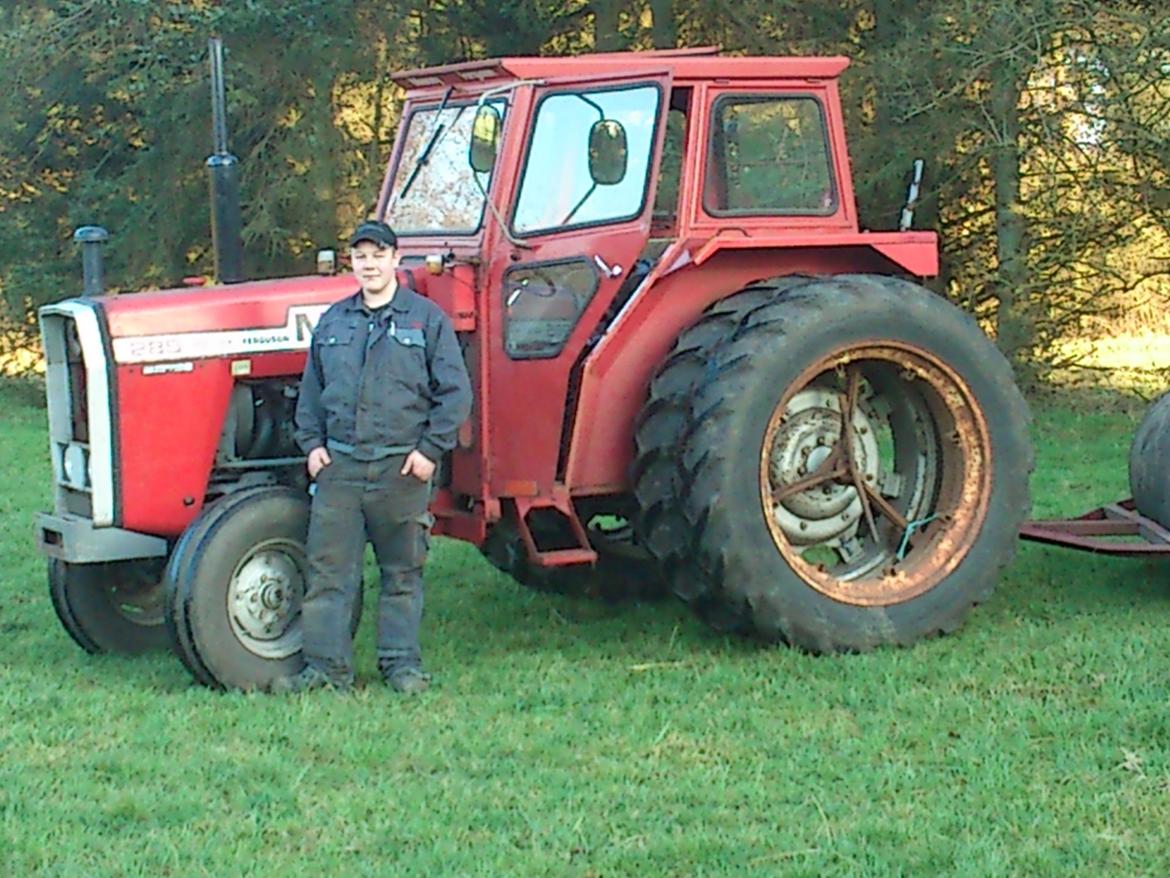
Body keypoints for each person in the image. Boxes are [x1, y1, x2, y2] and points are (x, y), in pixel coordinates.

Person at [273, 220, 472, 694]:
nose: (369, 264)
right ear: (353, 263)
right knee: (328, 577)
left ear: (394, 259)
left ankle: (401, 666)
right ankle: (326, 671)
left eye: (378, 254)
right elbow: (311, 392)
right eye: (361, 256)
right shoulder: (334, 322)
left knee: (402, 574)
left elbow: (455, 393)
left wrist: (428, 452)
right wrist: (313, 447)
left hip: (400, 470)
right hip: (341, 469)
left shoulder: (426, 320)